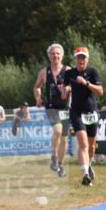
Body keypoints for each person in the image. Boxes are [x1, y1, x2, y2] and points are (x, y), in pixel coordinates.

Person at [63, 47, 103, 186]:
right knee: (83, 144)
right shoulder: (69, 73)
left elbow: (100, 92)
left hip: (91, 112)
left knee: (91, 145)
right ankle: (85, 174)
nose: (81, 60)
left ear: (87, 59)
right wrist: (64, 91)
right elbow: (65, 88)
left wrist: (86, 83)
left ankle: (89, 164)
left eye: (83, 57)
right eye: (78, 57)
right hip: (76, 112)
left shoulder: (93, 72)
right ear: (75, 59)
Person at [33, 43, 71, 176]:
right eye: (53, 53)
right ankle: (53, 156)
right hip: (51, 107)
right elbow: (37, 87)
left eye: (58, 53)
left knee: (65, 138)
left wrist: (67, 89)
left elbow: (73, 86)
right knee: (57, 130)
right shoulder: (44, 72)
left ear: (62, 55)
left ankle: (60, 165)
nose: (55, 55)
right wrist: (38, 97)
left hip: (65, 108)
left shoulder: (68, 70)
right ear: (49, 56)